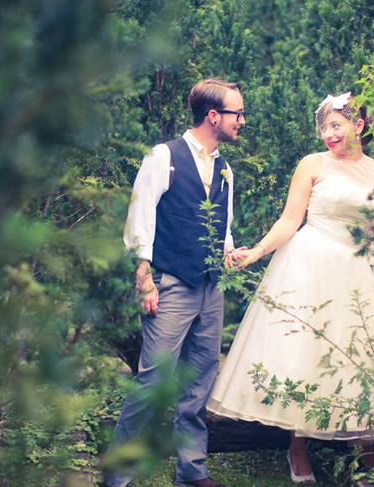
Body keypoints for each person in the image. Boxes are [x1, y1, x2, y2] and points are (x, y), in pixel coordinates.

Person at [207, 92, 374, 484]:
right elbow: (290, 220)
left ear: (358, 126)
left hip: (362, 269)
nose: (328, 134)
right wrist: (255, 253)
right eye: (323, 126)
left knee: (367, 355)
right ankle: (298, 446)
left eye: (336, 125)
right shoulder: (312, 165)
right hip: (312, 263)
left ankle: (366, 444)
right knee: (307, 353)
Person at [103, 79, 246, 487]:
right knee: (153, 380)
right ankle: (117, 477)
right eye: (237, 113)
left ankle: (192, 473)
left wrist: (229, 252)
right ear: (213, 116)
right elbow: (140, 218)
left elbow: (224, 225)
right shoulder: (163, 156)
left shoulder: (225, 169)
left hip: (210, 287)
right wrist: (144, 277)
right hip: (170, 283)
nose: (242, 121)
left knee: (198, 382)